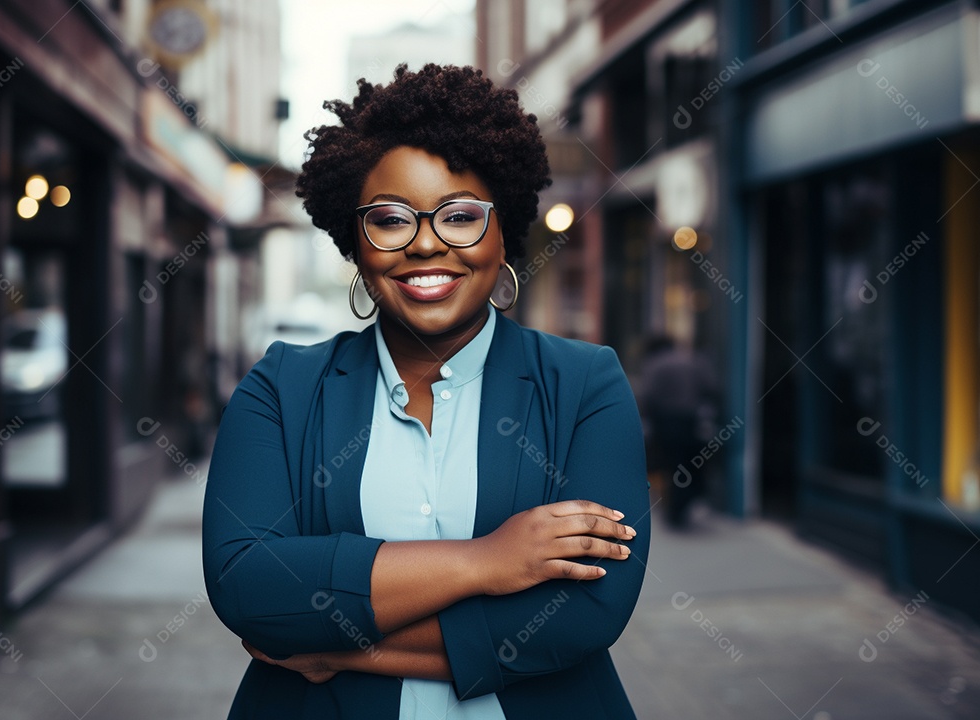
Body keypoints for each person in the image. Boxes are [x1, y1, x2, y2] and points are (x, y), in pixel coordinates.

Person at [202, 64, 650, 719]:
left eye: (460, 216)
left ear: (503, 232)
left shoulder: (584, 384)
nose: (426, 244)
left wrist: (340, 649)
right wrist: (487, 562)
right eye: (390, 220)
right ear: (356, 244)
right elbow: (247, 586)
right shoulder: (280, 388)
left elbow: (584, 613)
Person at [639, 334, 718, 528]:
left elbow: (647, 395)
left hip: (665, 422)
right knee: (688, 464)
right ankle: (683, 505)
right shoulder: (692, 361)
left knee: (670, 465)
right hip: (689, 421)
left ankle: (675, 509)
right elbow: (710, 387)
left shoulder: (654, 364)